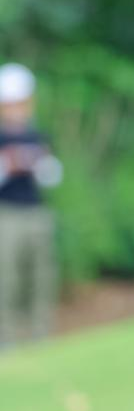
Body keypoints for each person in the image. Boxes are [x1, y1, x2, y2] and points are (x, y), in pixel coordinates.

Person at [0, 63, 63, 348]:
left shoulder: (37, 136)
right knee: (7, 276)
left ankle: (41, 335)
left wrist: (39, 163)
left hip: (36, 211)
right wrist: (9, 164)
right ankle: (6, 338)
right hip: (6, 214)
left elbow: (52, 177)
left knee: (41, 275)